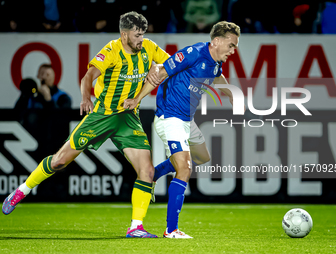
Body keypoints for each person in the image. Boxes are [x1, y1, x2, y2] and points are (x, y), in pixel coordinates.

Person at [3, 11, 170, 238]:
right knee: (60, 161)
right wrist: (85, 97)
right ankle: (21, 191)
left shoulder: (149, 48)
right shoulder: (111, 51)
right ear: (124, 34)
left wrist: (158, 68)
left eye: (143, 34)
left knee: (147, 171)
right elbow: (88, 77)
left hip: (128, 117)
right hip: (102, 115)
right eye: (137, 34)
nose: (141, 38)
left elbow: (171, 63)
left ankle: (135, 227)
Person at [124, 21, 241, 238]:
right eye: (231, 45)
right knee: (185, 168)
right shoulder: (193, 53)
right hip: (170, 118)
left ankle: (155, 174)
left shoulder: (215, 63)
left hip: (186, 121)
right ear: (216, 41)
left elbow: (218, 77)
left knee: (202, 156)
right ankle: (172, 229)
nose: (233, 50)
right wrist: (137, 99)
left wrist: (235, 97)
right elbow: (159, 73)